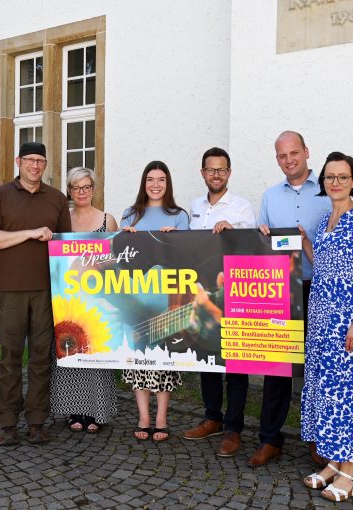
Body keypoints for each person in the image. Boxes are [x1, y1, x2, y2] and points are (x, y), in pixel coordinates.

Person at [299, 152, 353, 502]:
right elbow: (323, 264)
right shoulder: (325, 221)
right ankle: (333, 462)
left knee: (347, 393)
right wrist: (303, 240)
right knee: (327, 390)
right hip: (320, 320)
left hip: (348, 323)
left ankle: (351, 471)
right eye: (329, 177)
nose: (335, 182)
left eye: (342, 176)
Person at [0, 142, 71, 446]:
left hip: (46, 291)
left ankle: (36, 421)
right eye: (30, 160)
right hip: (10, 290)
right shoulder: (0, 195)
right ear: (18, 161)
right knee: (10, 358)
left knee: (42, 359)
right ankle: (7, 422)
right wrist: (30, 233)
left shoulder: (57, 199)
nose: (35, 166)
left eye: (41, 161)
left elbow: (65, 248)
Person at [254, 131, 331, 467]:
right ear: (277, 159)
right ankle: (271, 439)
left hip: (318, 290)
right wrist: (262, 237)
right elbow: (261, 245)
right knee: (277, 369)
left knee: (318, 368)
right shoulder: (270, 198)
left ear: (306, 152)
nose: (289, 160)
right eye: (282, 156)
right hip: (281, 292)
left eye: (294, 153)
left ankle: (318, 441)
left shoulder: (329, 193)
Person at [181, 147, 256, 458]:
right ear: (202, 173)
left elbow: (254, 248)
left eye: (221, 170)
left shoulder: (242, 207)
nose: (216, 174)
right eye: (210, 170)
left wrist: (233, 231)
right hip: (203, 293)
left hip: (235, 296)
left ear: (229, 173)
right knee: (208, 359)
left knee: (237, 365)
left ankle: (233, 429)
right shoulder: (195, 206)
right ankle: (212, 418)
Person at [120, 160, 189, 442]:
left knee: (163, 357)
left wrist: (176, 241)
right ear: (143, 182)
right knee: (138, 354)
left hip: (165, 297)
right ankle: (143, 416)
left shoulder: (179, 215)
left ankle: (161, 416)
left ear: (168, 183)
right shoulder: (129, 215)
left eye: (161, 179)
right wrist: (125, 239)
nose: (156, 184)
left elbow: (188, 257)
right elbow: (120, 256)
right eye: (150, 179)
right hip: (135, 294)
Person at [51, 167, 119, 433]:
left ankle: (96, 412)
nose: (82, 192)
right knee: (69, 353)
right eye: (76, 188)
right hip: (67, 298)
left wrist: (94, 265)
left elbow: (117, 258)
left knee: (96, 354)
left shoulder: (107, 220)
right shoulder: (62, 221)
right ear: (69, 190)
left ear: (94, 189)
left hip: (97, 297)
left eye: (87, 187)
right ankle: (73, 411)